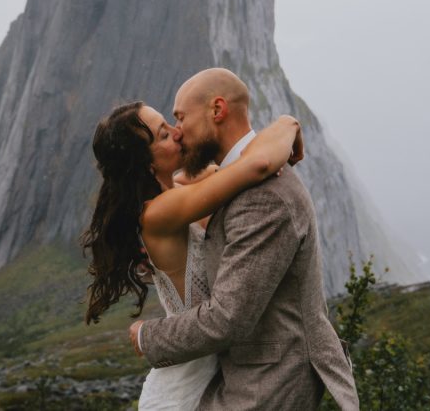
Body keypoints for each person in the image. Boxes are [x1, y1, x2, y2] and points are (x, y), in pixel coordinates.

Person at [129, 68, 360, 410]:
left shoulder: (262, 195)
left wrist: (147, 336)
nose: (178, 133)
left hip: (269, 385)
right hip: (243, 378)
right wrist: (287, 123)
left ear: (217, 110)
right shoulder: (230, 181)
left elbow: (227, 318)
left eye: (180, 118)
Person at [82, 97, 306, 410]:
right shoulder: (159, 212)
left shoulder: (174, 189)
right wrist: (288, 123)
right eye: (163, 135)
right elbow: (258, 164)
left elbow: (210, 170)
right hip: (182, 392)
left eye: (169, 124)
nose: (176, 132)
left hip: (207, 376)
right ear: (147, 164)